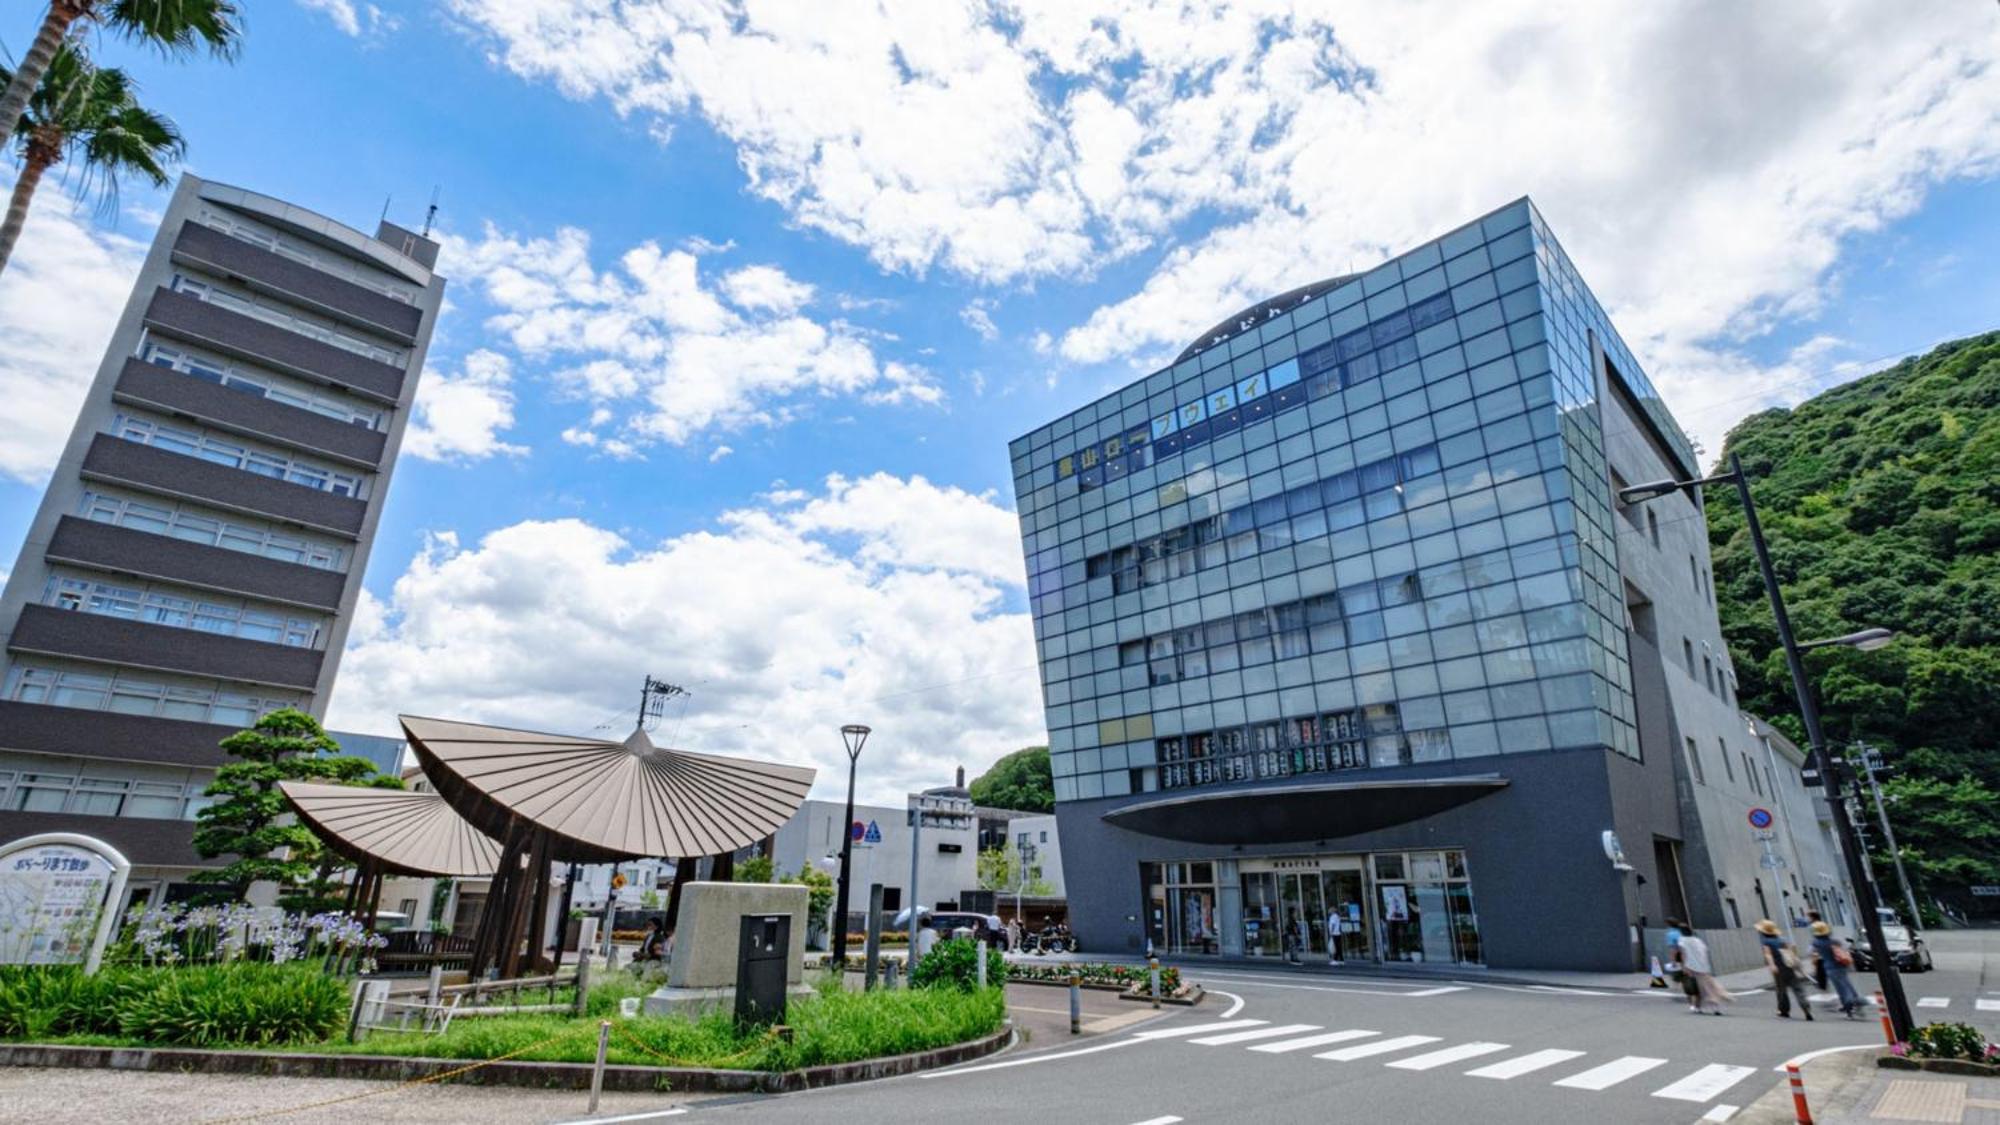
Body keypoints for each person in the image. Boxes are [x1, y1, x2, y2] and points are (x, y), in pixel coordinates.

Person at [1756, 919, 1813, 1020]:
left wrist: (1772, 965)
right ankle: (1806, 1008)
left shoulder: (1766, 941)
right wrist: (1797, 965)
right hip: (1789, 966)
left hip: (1779, 969)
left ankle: (1784, 1010)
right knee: (1797, 988)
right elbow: (1791, 953)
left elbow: (1768, 955)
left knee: (1781, 990)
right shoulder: (1782, 939)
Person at [1811, 921, 1862, 1018]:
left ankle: (1848, 1008)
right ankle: (1857, 1002)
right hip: (1841, 965)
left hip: (1829, 967)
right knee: (1847, 985)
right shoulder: (1834, 941)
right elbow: (1843, 950)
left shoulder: (1816, 942)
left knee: (1841, 989)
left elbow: (1814, 954)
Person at [1679, 925, 1730, 1015]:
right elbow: (1705, 951)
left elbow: (1683, 954)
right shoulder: (1698, 940)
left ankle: (1712, 1007)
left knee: (1700, 989)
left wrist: (1684, 967)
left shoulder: (1683, 941)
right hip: (1703, 967)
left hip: (1692, 967)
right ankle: (1701, 1007)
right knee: (1707, 987)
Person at [1806, 910, 1828, 990]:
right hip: (1820, 947)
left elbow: (1815, 938)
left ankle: (1821, 983)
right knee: (1819, 965)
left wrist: (1814, 951)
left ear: (1813, 917)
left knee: (1819, 965)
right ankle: (1821, 982)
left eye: (1809, 917)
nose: (1808, 919)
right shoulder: (1822, 924)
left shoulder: (1815, 926)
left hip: (1818, 947)